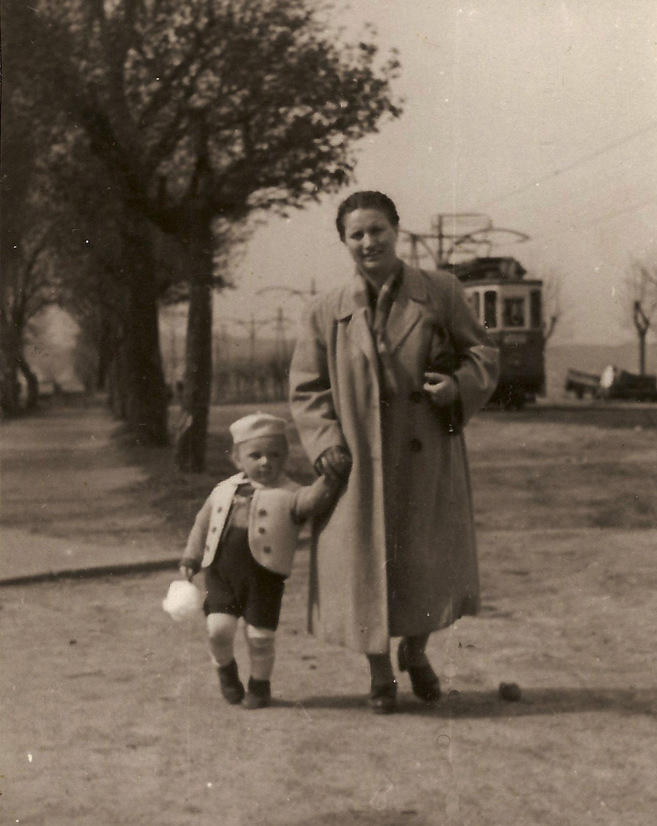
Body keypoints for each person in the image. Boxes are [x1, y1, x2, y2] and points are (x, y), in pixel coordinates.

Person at [288, 191, 499, 713]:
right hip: (359, 462)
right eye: (356, 234)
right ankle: (380, 674)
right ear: (344, 242)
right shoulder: (325, 311)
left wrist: (457, 386)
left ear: (396, 231)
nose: (368, 242)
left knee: (427, 562)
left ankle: (417, 652)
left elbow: (483, 354)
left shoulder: (441, 291)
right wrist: (325, 442)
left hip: (426, 455)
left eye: (377, 230)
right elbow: (306, 388)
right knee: (365, 566)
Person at [179, 412, 349, 709]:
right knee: (218, 630)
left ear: (286, 456)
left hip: (264, 577)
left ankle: (259, 685)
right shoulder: (223, 490)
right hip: (220, 573)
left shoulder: (290, 493)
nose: (265, 462)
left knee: (260, 637)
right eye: (255, 455)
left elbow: (312, 501)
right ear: (237, 459)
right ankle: (225, 668)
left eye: (275, 455)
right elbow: (202, 524)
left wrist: (330, 479)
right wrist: (191, 556)